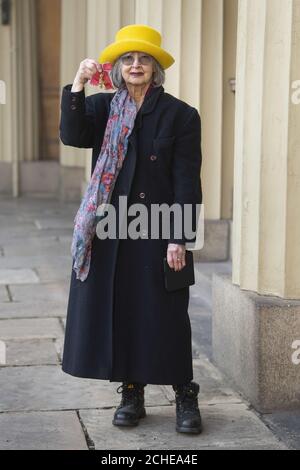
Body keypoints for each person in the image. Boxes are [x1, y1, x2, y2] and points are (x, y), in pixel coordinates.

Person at [59, 24, 203, 434]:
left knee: (168, 314)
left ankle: (185, 396)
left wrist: (179, 235)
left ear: (155, 69)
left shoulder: (180, 115)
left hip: (158, 229)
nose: (136, 65)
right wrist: (78, 84)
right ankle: (132, 393)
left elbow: (186, 180)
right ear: (118, 68)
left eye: (144, 59)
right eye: (128, 59)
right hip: (110, 230)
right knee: (122, 310)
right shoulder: (102, 106)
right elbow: (72, 136)